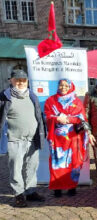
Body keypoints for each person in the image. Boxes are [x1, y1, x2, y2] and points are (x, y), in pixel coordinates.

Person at [0, 70, 45, 207]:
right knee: (16, 168)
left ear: (27, 82)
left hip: (32, 138)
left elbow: (38, 114)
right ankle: (19, 194)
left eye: (23, 80)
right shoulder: (4, 97)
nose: (20, 83)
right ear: (11, 80)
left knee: (32, 167)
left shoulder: (32, 95)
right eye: (17, 80)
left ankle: (30, 191)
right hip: (14, 139)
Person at [44, 79, 89, 198]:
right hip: (57, 140)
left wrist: (68, 119)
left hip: (73, 138)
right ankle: (57, 188)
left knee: (73, 162)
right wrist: (56, 119)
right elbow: (47, 116)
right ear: (58, 86)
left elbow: (82, 118)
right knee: (57, 163)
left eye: (66, 85)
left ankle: (72, 186)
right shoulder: (51, 100)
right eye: (61, 85)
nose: (63, 87)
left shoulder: (76, 101)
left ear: (70, 87)